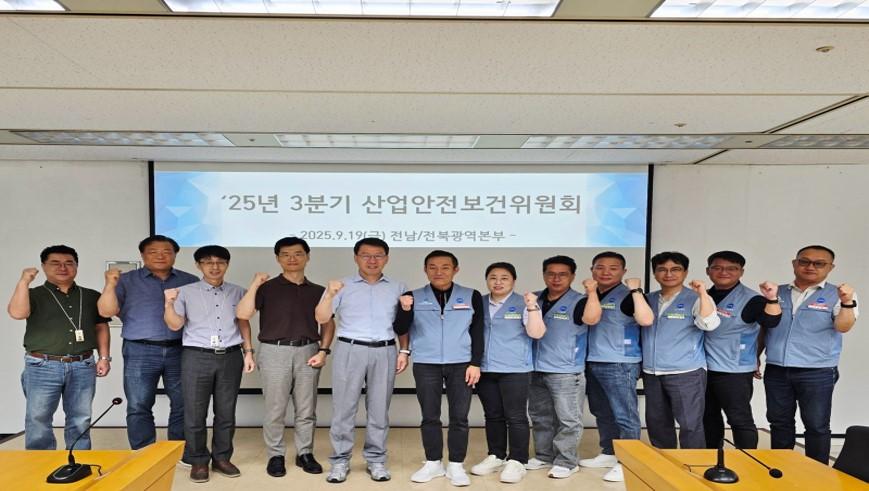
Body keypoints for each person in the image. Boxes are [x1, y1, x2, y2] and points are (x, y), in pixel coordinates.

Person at [236, 237, 335, 477]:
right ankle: (276, 455)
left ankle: (305, 453)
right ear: (277, 258)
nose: (292, 259)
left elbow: (328, 324)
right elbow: (243, 314)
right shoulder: (266, 288)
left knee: (307, 408)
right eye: (285, 254)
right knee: (275, 408)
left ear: (307, 257)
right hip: (274, 351)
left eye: (298, 253)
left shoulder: (318, 291)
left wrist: (323, 350)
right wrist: (254, 284)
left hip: (308, 350)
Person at [314, 238, 408, 483]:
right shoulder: (341, 285)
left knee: (379, 409)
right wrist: (329, 294)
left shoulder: (398, 287)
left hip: (385, 350)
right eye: (366, 255)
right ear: (356, 257)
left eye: (378, 255)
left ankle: (376, 460)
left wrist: (404, 351)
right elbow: (322, 318)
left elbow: (403, 325)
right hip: (350, 349)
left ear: (386, 258)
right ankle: (340, 460)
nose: (372, 260)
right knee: (344, 409)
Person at [163, 245, 255, 483]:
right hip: (196, 356)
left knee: (226, 412)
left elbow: (243, 322)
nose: (215, 267)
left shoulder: (238, 292)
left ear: (227, 265)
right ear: (198, 265)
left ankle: (222, 458)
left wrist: (248, 352)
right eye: (208, 262)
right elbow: (174, 325)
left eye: (220, 262)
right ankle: (198, 461)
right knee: (195, 413)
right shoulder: (184, 292)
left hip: (230, 356)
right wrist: (168, 304)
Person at [98, 235, 198, 450]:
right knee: (138, 404)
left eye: (167, 251)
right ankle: (143, 452)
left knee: (183, 403)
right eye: (153, 252)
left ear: (175, 255)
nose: (160, 256)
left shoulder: (190, 281)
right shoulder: (126, 280)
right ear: (142, 255)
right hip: (139, 350)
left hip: (181, 350)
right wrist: (109, 285)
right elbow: (106, 311)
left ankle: (178, 450)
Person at [7, 245, 111, 450]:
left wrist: (104, 357)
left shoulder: (91, 296)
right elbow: (17, 313)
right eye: (55, 263)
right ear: (44, 266)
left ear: (76, 266)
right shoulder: (33, 294)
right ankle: (40, 461)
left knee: (81, 417)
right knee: (38, 417)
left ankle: (79, 459)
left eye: (69, 263)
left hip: (82, 364)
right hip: (42, 365)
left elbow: (101, 327)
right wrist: (24, 281)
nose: (63, 268)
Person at [393, 250, 483, 487]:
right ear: (425, 270)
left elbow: (478, 331)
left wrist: (475, 363)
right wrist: (405, 309)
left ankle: (456, 464)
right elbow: (400, 328)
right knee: (430, 416)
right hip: (426, 363)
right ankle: (433, 462)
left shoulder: (471, 295)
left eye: (445, 267)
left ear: (455, 269)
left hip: (461, 363)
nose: (438, 272)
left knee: (459, 417)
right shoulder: (412, 296)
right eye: (432, 267)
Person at [762, 245, 857, 464]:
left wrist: (846, 301)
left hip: (817, 371)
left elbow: (843, 326)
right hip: (777, 369)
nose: (810, 267)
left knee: (816, 425)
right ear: (794, 264)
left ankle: (818, 472)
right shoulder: (777, 292)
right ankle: (781, 468)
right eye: (804, 261)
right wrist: (755, 358)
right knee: (779, 422)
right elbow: (764, 328)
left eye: (819, 263)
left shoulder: (839, 294)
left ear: (830, 267)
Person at [578, 251, 654, 483]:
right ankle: (609, 452)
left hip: (620, 363)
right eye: (600, 267)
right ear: (592, 270)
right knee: (602, 411)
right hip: (593, 361)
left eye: (613, 268)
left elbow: (646, 320)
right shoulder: (591, 295)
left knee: (625, 414)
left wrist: (636, 291)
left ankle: (628, 461)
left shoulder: (630, 295)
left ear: (624, 271)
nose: (606, 272)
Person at [469, 262, 545, 484]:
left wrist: (532, 307)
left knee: (516, 416)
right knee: (493, 415)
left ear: (513, 281)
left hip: (515, 369)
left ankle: (518, 460)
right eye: (493, 277)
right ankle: (496, 455)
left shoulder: (524, 303)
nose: (498, 282)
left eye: (504, 278)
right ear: (486, 280)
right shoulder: (479, 302)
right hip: (485, 368)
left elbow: (537, 333)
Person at [526, 255, 600, 479]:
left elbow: (592, 319)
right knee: (540, 416)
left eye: (562, 274)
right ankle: (544, 455)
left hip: (566, 370)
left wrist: (592, 293)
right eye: (551, 273)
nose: (556, 278)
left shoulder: (580, 301)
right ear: (543, 275)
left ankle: (567, 461)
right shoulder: (534, 299)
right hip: (535, 368)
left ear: (572, 276)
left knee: (568, 419)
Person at [703, 250, 781, 450]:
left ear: (741, 272)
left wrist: (772, 299)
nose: (724, 272)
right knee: (707, 417)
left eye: (732, 268)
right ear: (708, 271)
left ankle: (747, 461)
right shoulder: (704, 296)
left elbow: (770, 322)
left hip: (733, 371)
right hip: (702, 368)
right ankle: (712, 457)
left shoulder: (752, 299)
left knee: (739, 418)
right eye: (717, 268)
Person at [643, 251, 720, 450]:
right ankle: (664, 460)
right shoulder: (648, 299)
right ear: (654, 273)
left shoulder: (696, 298)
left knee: (690, 423)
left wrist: (703, 294)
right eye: (662, 269)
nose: (669, 274)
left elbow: (709, 324)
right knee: (657, 423)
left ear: (685, 272)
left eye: (675, 269)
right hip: (652, 372)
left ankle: (694, 463)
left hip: (685, 372)